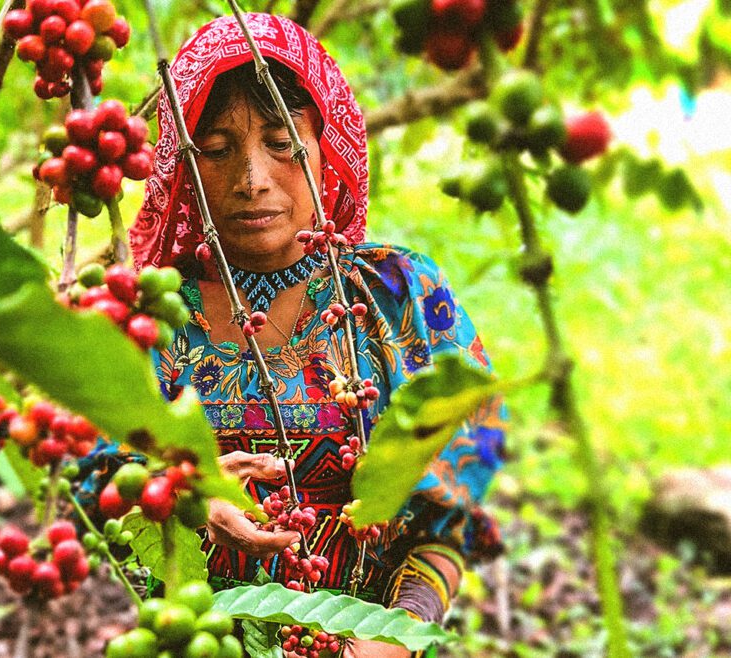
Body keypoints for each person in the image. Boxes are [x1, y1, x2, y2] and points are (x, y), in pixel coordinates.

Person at [76, 13, 506, 658]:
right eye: (217, 150)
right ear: (183, 166)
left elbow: (450, 508)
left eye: (284, 145)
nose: (252, 179)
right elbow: (90, 483)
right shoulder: (148, 313)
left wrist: (394, 640)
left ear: (327, 148)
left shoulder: (395, 296)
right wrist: (179, 501)